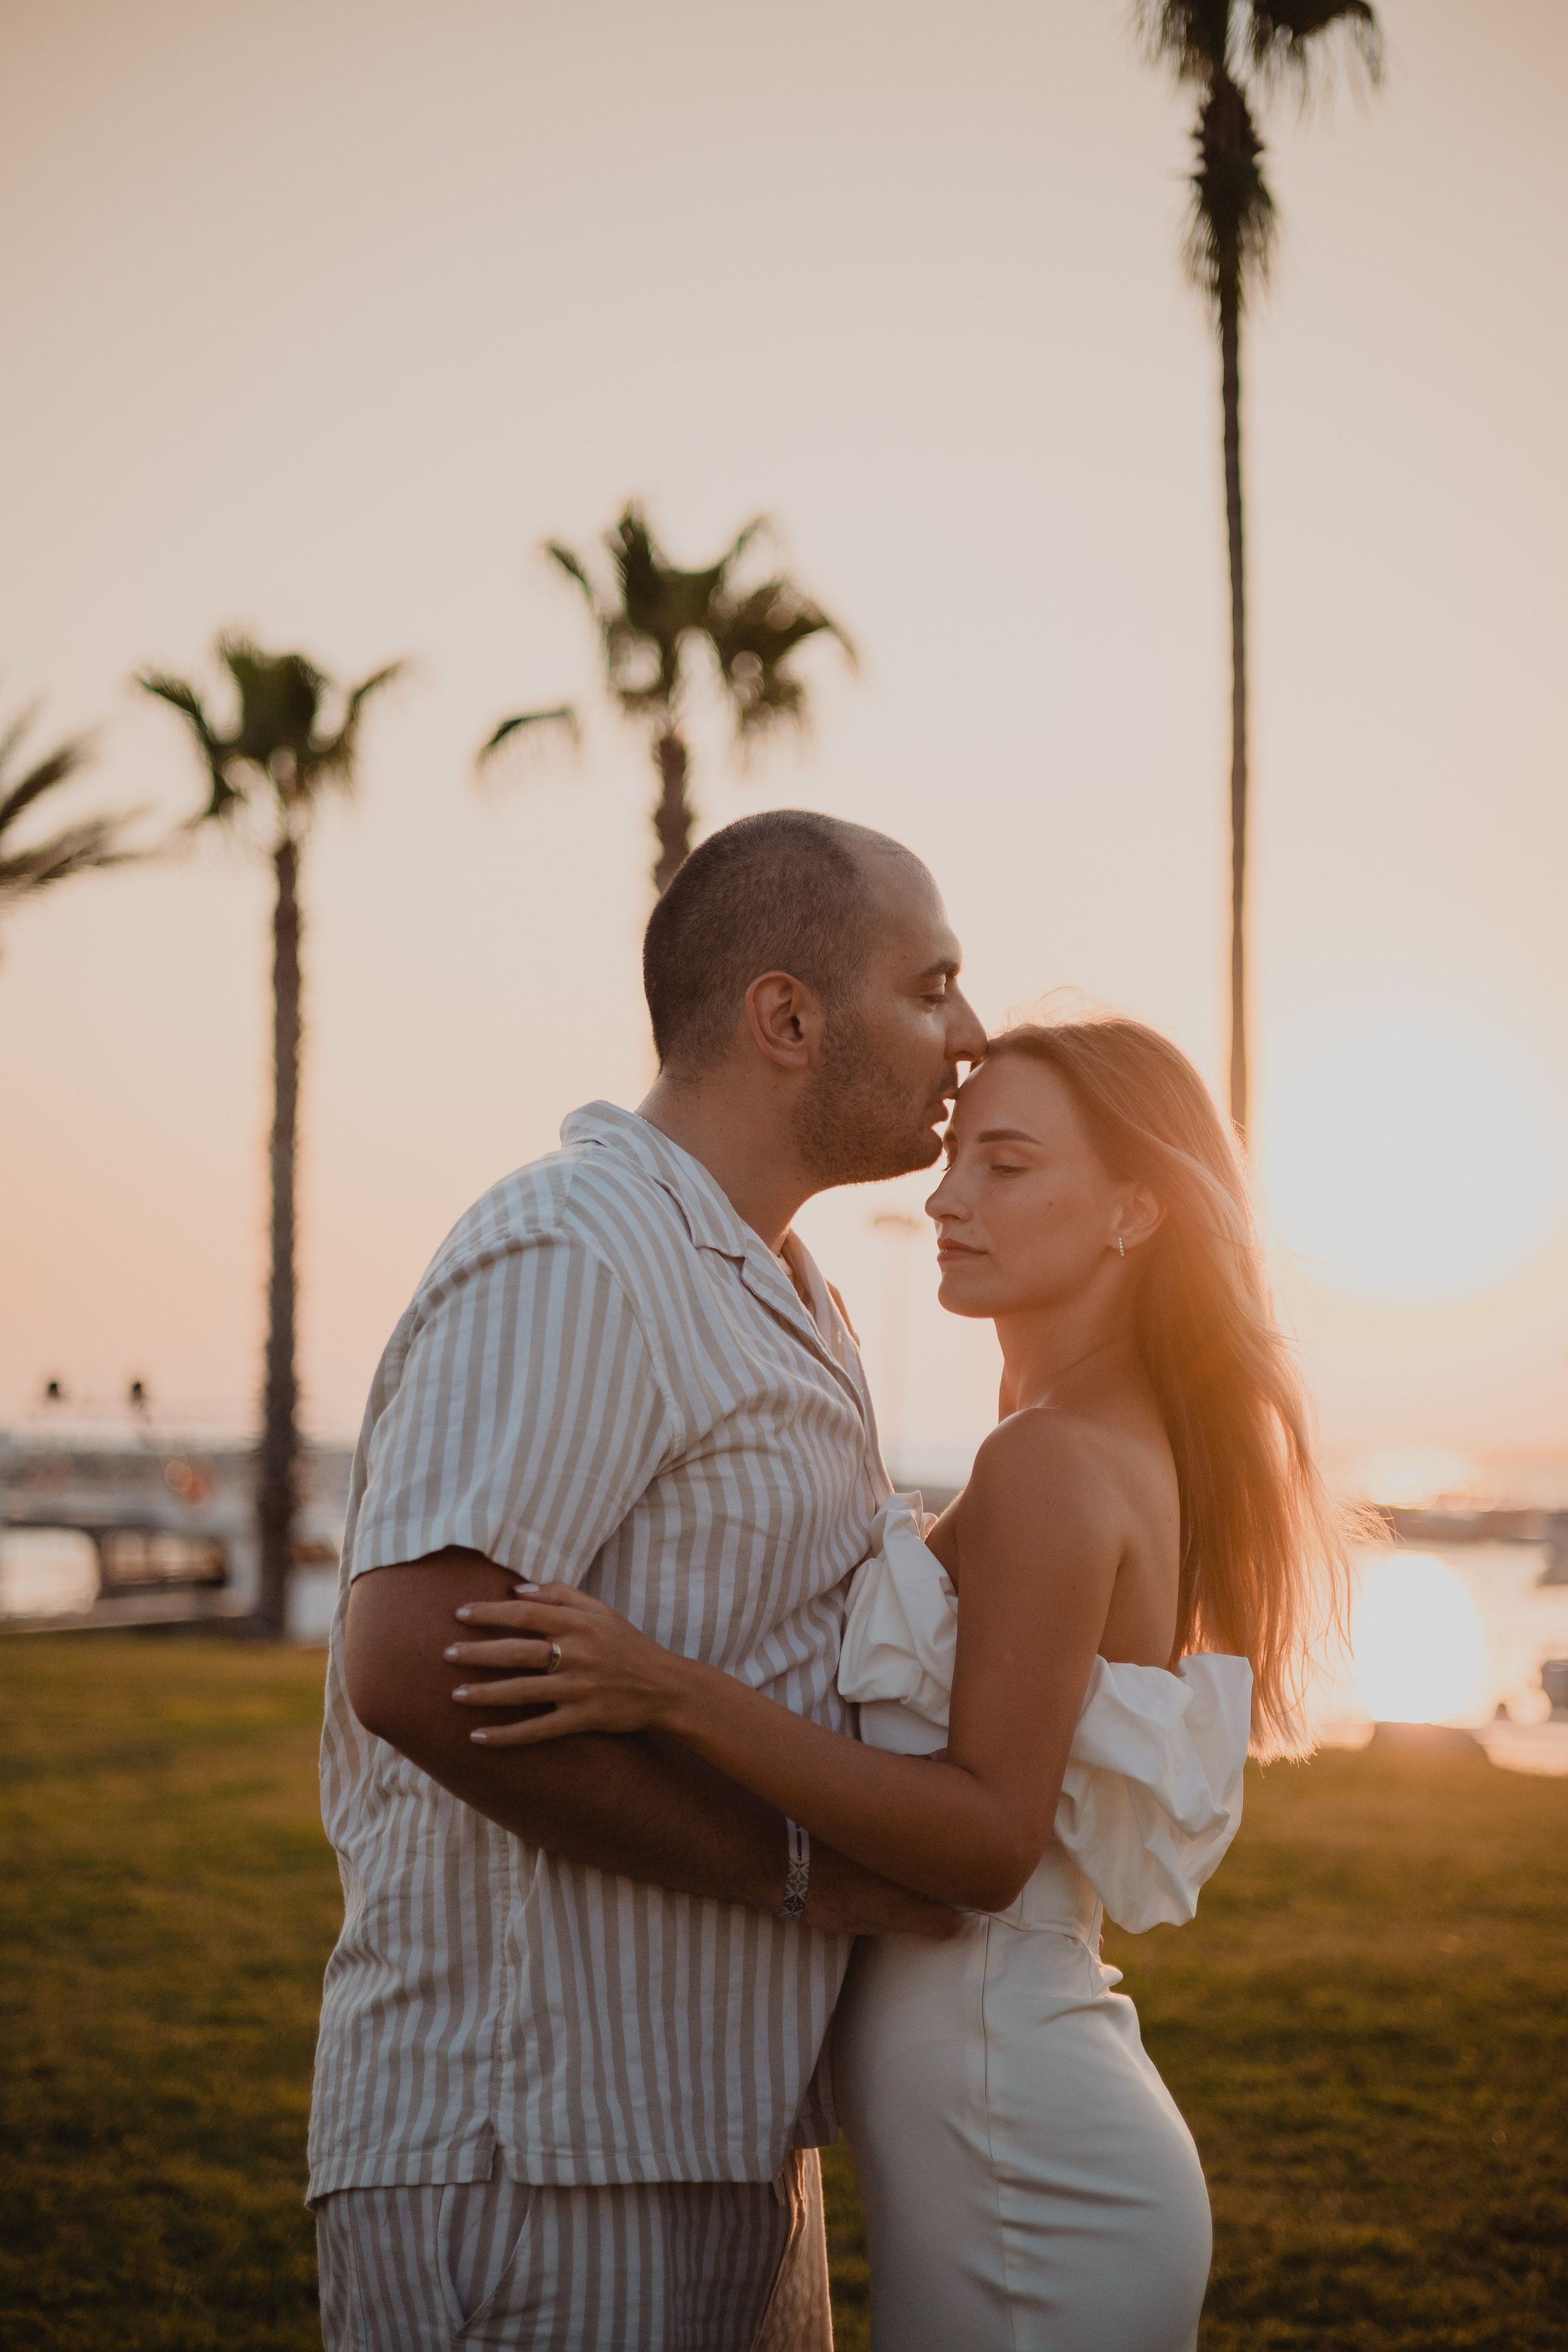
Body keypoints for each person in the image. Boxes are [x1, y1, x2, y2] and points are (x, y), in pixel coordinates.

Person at [447, 1015, 1355, 2351]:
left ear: (1132, 1211)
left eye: (1005, 1165)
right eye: (953, 1160)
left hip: (1016, 2119)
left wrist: (666, 1688)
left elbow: (986, 1839)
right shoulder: (1082, 1438)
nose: (943, 1198)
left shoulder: (1052, 1461)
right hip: (999, 2092)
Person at [309, 809, 986, 2351]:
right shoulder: (582, 1247)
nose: (973, 1031)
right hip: (534, 2166)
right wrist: (801, 1872)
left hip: (723, 2146)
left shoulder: (780, 1290)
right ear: (787, 1017)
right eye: (932, 982)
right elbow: (417, 1665)